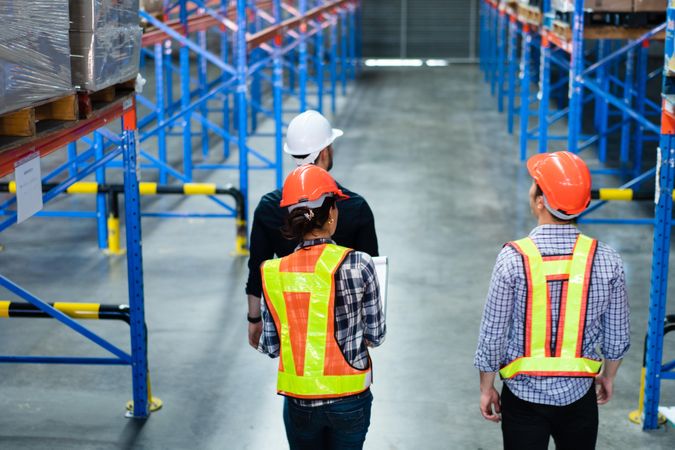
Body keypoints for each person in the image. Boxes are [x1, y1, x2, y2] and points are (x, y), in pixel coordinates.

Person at [474, 151, 629, 450]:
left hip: (523, 398)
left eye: (535, 185)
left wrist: (486, 387)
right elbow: (617, 335)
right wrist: (608, 377)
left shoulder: (513, 258)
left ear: (541, 200)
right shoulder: (606, 258)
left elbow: (493, 332)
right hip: (579, 396)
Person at [257, 164, 386, 450]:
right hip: (350, 398)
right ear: (330, 215)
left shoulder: (273, 272)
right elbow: (376, 335)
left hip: (299, 402)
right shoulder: (359, 263)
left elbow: (270, 346)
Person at [246, 110, 378, 347]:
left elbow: (257, 270)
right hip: (346, 342)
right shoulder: (355, 206)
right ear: (326, 151)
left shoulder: (268, 207)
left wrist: (254, 318)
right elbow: (374, 276)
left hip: (294, 341)